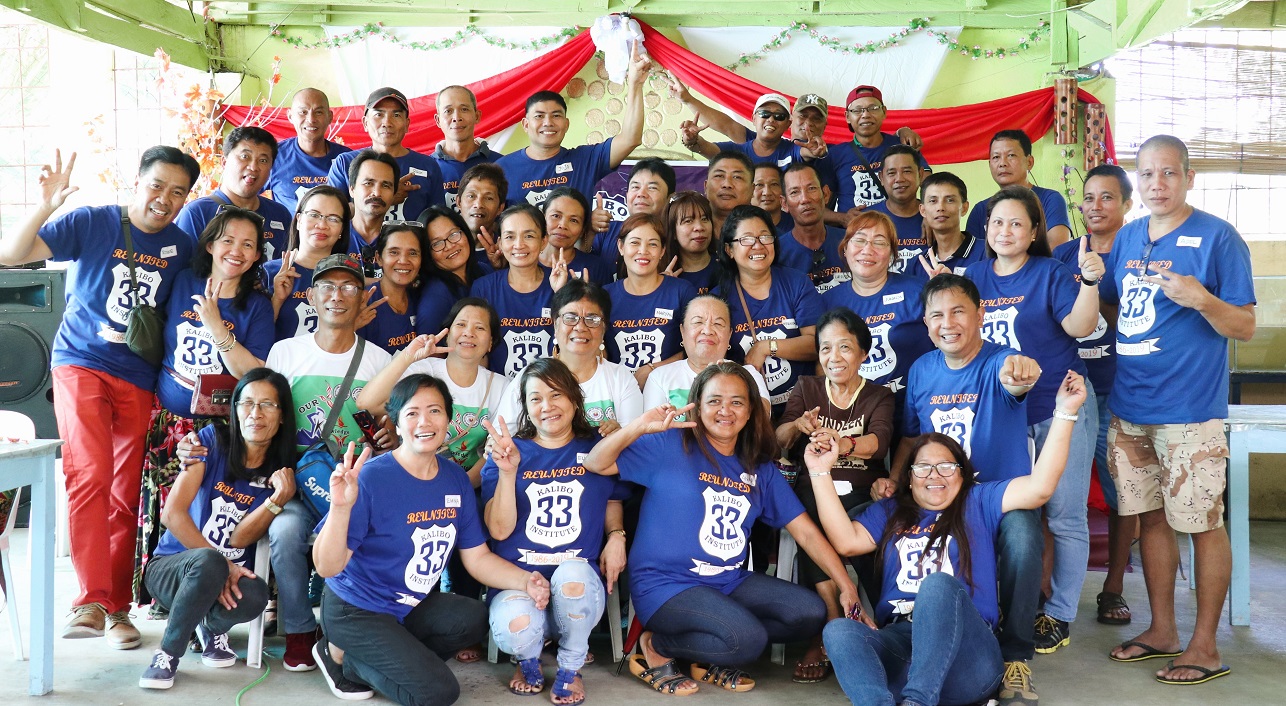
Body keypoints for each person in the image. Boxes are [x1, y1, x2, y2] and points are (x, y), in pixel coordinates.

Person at [0, 146, 200, 649]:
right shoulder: (92, 222)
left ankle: (115, 607)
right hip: (81, 364)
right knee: (88, 472)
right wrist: (46, 205)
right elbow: (11, 253)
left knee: (124, 491)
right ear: (137, 181)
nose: (165, 199)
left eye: (179, 192)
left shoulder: (182, 246)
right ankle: (89, 599)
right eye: (158, 186)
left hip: (138, 376)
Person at [810, 372, 1088, 706]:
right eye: (923, 468)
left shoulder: (979, 501)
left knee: (938, 586)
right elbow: (845, 541)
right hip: (903, 643)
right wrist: (819, 470)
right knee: (839, 632)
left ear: (963, 474)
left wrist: (1065, 412)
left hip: (968, 654)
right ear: (910, 480)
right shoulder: (891, 511)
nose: (934, 476)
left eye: (946, 467)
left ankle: (918, 701)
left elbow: (1041, 486)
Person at [583, 363, 858, 696]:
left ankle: (710, 645)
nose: (725, 410)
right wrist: (639, 426)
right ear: (698, 406)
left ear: (750, 411)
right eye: (714, 401)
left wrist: (846, 587)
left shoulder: (758, 468)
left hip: (727, 581)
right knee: (747, 639)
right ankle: (655, 645)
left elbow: (807, 533)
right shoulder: (669, 444)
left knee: (809, 613)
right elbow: (595, 463)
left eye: (737, 402)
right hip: (666, 584)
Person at [1101, 135, 1255, 686]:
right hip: (1130, 405)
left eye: (1169, 173)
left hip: (1190, 410)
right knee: (1148, 519)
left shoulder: (1218, 238)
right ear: (1136, 182)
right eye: (1146, 175)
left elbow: (1245, 325)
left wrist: (1203, 300)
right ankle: (1162, 630)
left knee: (1202, 523)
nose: (1156, 184)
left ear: (1189, 177)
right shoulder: (1128, 238)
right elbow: (1117, 307)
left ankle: (1205, 645)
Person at [313, 374, 551, 704]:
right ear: (395, 424)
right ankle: (343, 658)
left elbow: (477, 558)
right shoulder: (370, 477)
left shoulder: (455, 478)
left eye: (435, 411)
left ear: (448, 420)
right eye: (412, 413)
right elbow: (327, 566)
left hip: (407, 605)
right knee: (439, 691)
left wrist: (527, 581)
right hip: (356, 610)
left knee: (474, 618)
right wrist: (340, 508)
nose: (424, 421)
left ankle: (387, 656)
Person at [893, 273, 1045, 706]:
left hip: (997, 496)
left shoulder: (1002, 360)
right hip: (938, 496)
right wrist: (897, 479)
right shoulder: (921, 370)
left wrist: (1023, 372)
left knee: (1023, 537)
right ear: (925, 323)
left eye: (959, 311)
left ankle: (1015, 656)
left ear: (981, 314)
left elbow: (1018, 377)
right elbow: (909, 437)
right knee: (882, 523)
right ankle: (899, 633)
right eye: (937, 314)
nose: (948, 322)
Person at [963, 185, 1102, 656]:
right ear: (985, 228)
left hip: (1057, 409)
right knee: (1011, 515)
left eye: (1016, 223)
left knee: (1064, 517)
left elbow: (1080, 328)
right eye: (997, 222)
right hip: (1001, 416)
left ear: (1034, 231)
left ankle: (1059, 613)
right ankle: (1006, 605)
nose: (1005, 231)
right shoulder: (974, 276)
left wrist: (1089, 283)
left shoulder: (1051, 272)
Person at [357, 298, 509, 665]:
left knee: (473, 526)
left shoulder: (502, 386)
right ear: (448, 330)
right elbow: (367, 402)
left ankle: (458, 622)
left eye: (479, 328)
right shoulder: (425, 369)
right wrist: (409, 356)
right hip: (411, 482)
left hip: (465, 484)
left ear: (491, 342)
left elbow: (491, 453)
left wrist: (455, 486)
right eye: (461, 324)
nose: (468, 333)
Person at [262, 253, 395, 670]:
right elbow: (266, 416)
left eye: (349, 288)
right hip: (300, 484)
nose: (338, 296)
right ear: (312, 297)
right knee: (285, 533)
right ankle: (300, 630)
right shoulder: (285, 353)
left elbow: (387, 425)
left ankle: (352, 626)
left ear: (362, 299)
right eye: (327, 287)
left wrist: (389, 434)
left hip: (358, 488)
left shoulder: (378, 360)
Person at [138, 207, 276, 602]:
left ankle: (213, 592)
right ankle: (163, 597)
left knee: (210, 512)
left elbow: (256, 371)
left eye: (248, 245)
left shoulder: (257, 305)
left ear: (255, 256)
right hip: (170, 422)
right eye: (228, 240)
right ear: (212, 244)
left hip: (225, 432)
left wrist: (216, 325)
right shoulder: (183, 281)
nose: (237, 250)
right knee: (162, 510)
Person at [138, 368, 296, 689]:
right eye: (247, 403)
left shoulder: (280, 471)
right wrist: (222, 564)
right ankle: (167, 654)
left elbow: (240, 538)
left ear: (281, 417)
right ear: (234, 410)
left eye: (268, 405)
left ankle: (212, 627)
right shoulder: (210, 442)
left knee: (256, 595)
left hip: (228, 579)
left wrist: (277, 498)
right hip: (173, 569)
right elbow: (173, 514)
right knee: (208, 561)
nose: (255, 413)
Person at [481, 358, 627, 703]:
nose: (547, 406)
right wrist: (506, 472)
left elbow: (612, 498)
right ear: (526, 408)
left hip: (577, 591)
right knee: (517, 628)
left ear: (575, 399)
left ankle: (570, 668)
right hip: (518, 581)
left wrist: (616, 536)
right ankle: (528, 660)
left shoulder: (596, 447)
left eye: (556, 394)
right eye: (535, 399)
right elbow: (499, 531)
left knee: (573, 577)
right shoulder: (507, 451)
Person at [774, 308, 895, 683]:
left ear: (863, 353)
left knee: (837, 517)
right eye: (826, 348)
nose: (834, 357)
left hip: (861, 491)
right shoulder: (807, 389)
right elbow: (778, 440)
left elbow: (879, 442)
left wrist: (843, 443)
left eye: (845, 347)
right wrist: (797, 424)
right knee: (811, 507)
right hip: (814, 486)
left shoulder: (879, 395)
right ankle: (834, 620)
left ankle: (845, 631)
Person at [1052, 164, 1135, 626]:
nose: (1096, 206)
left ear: (1126, 204)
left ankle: (1113, 588)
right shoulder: (1062, 254)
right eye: (1089, 197)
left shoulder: (1136, 254)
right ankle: (1046, 589)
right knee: (1058, 495)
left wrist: (1095, 286)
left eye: (1107, 198)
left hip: (1120, 389)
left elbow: (1138, 318)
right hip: (1071, 391)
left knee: (1125, 492)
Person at [498, 45, 649, 206]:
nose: (548, 123)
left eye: (556, 115)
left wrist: (635, 83)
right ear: (526, 124)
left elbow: (629, 139)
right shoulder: (501, 169)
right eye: (539, 116)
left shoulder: (585, 160)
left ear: (566, 124)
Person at [821, 211, 933, 426]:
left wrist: (943, 293)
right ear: (845, 249)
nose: (867, 250)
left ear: (892, 254)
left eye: (879, 242)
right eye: (860, 240)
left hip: (913, 412)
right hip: (855, 418)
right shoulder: (828, 301)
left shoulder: (918, 291)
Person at [714, 204, 823, 417]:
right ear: (729, 250)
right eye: (746, 239)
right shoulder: (719, 299)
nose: (757, 245)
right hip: (750, 414)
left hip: (804, 409)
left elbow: (817, 344)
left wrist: (765, 347)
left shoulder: (797, 283)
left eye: (765, 237)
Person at [496, 279, 644, 434]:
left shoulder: (620, 378)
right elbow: (501, 436)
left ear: (604, 328)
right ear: (555, 325)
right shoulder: (530, 377)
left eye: (592, 319)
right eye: (570, 317)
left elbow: (634, 442)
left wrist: (619, 435)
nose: (580, 327)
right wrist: (495, 444)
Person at [327, 87, 446, 223]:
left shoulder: (428, 165)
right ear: (365, 123)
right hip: (358, 244)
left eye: (396, 115)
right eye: (379, 114)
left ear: (407, 124)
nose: (387, 123)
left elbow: (438, 219)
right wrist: (385, 198)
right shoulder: (344, 162)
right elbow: (330, 213)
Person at [605, 213, 698, 387]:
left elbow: (695, 347)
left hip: (672, 390)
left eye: (652, 244)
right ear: (621, 246)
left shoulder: (681, 291)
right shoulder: (605, 296)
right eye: (635, 242)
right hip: (619, 392)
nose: (643, 251)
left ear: (662, 251)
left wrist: (653, 369)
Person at [176, 126, 294, 260]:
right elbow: (183, 275)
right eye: (245, 156)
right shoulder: (197, 214)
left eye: (263, 160)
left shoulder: (280, 214)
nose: (253, 167)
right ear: (224, 162)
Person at [815, 84, 927, 224]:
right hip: (854, 236)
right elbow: (815, 207)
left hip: (901, 231)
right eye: (857, 110)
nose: (866, 115)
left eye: (873, 108)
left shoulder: (902, 146)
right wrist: (842, 218)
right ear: (847, 116)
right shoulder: (835, 154)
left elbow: (930, 186)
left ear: (884, 112)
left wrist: (928, 215)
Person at [642, 295, 770, 416]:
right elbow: (653, 434)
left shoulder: (748, 374)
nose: (708, 330)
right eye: (698, 322)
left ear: (729, 335)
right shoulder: (659, 377)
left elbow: (761, 420)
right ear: (682, 331)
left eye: (718, 324)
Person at [471, 204, 560, 378]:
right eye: (510, 236)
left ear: (543, 241)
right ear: (500, 243)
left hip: (551, 391)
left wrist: (564, 293)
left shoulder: (561, 284)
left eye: (529, 236)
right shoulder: (483, 288)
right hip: (499, 392)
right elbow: (477, 350)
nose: (519, 245)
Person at [265, 185, 353, 342]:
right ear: (298, 220)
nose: (322, 225)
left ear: (342, 229)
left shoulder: (349, 279)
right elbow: (254, 336)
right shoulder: (269, 273)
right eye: (314, 215)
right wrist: (277, 300)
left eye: (333, 218)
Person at [670, 83, 823, 169]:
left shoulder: (793, 150)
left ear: (787, 124)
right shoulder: (740, 149)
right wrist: (691, 140)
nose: (771, 119)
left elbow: (806, 152)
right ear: (754, 118)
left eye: (779, 116)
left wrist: (816, 152)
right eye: (764, 114)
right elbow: (710, 143)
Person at [965, 130, 1071, 249]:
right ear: (989, 164)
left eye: (1011, 155)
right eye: (996, 157)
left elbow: (1058, 248)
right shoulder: (980, 210)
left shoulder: (1050, 199)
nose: (1002, 163)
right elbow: (974, 257)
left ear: (1029, 162)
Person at [265, 88, 351, 212]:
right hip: (287, 230)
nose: (311, 119)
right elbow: (246, 195)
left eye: (319, 112)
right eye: (303, 112)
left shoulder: (346, 159)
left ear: (330, 117)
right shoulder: (274, 155)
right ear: (290, 116)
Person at [357, 221, 428, 353]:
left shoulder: (423, 298)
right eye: (394, 252)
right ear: (378, 258)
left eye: (412, 253)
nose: (403, 260)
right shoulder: (364, 303)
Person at [587, 158, 676, 265]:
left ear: (670, 197)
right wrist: (589, 232)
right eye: (635, 187)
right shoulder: (606, 231)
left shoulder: (678, 237)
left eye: (652, 188)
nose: (641, 193)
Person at [776, 163, 846, 292]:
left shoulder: (850, 242)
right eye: (795, 192)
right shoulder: (776, 253)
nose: (805, 199)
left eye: (811, 188)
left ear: (825, 194)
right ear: (784, 203)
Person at [416, 205, 488, 331]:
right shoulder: (435, 298)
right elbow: (429, 349)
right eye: (436, 243)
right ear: (427, 254)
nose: (449, 246)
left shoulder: (483, 270)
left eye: (453, 234)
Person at [431, 85, 502, 206]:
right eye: (448, 111)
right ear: (438, 120)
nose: (456, 118)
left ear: (477, 116)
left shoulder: (501, 164)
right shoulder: (427, 168)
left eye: (464, 109)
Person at [911, 172, 986, 279]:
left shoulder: (987, 253)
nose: (940, 207)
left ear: (964, 207)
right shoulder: (916, 264)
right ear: (923, 210)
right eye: (933, 201)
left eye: (950, 200)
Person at [868, 145, 928, 275]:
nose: (899, 179)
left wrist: (932, 216)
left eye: (907, 171)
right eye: (891, 173)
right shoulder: (866, 219)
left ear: (921, 174)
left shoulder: (935, 217)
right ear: (881, 178)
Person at [343, 149, 401, 276]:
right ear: (352, 189)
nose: (377, 193)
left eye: (386, 185)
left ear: (394, 194)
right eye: (368, 183)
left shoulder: (402, 243)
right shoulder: (334, 237)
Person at [541, 187, 613, 285]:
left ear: (582, 230)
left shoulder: (596, 268)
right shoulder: (524, 261)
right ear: (542, 218)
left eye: (574, 220)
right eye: (556, 216)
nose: (563, 225)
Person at [448, 163, 508, 270]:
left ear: (500, 208)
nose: (479, 204)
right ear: (458, 202)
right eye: (471, 196)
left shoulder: (508, 250)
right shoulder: (445, 249)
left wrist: (501, 270)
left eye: (488, 198)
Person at [664, 191, 719, 294]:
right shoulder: (660, 274)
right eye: (688, 221)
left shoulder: (727, 270)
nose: (699, 227)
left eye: (704, 219)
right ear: (673, 231)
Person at [704, 151, 754, 235]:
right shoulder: (688, 236)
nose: (727, 185)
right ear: (706, 186)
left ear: (752, 189)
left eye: (737, 177)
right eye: (719, 176)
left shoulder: (769, 237)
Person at [752, 163, 795, 235]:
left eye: (774, 184)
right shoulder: (740, 227)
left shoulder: (796, 223)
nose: (767, 192)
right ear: (749, 189)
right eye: (759, 185)